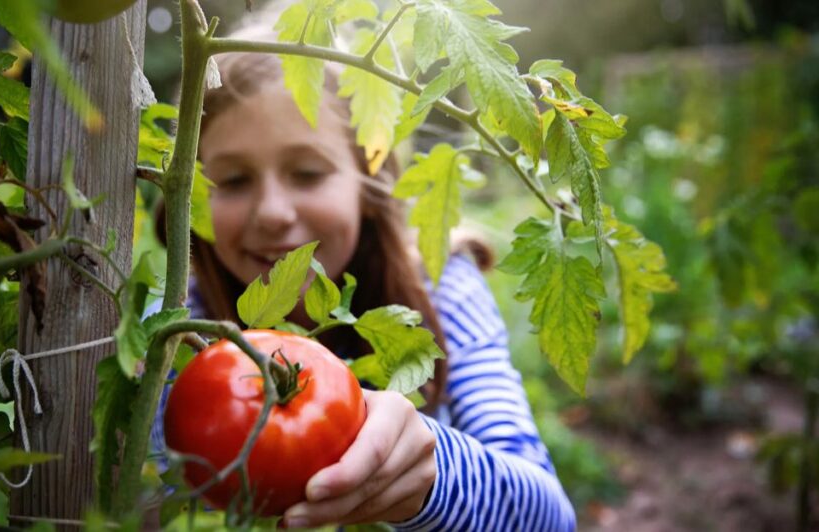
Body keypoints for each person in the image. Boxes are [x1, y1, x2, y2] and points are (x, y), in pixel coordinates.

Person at [151, 32, 577, 532]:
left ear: (369, 187)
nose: (272, 212)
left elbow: (552, 518)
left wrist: (434, 476)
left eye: (307, 173)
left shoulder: (442, 290)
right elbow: (156, 494)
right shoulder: (175, 330)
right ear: (187, 196)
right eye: (233, 181)